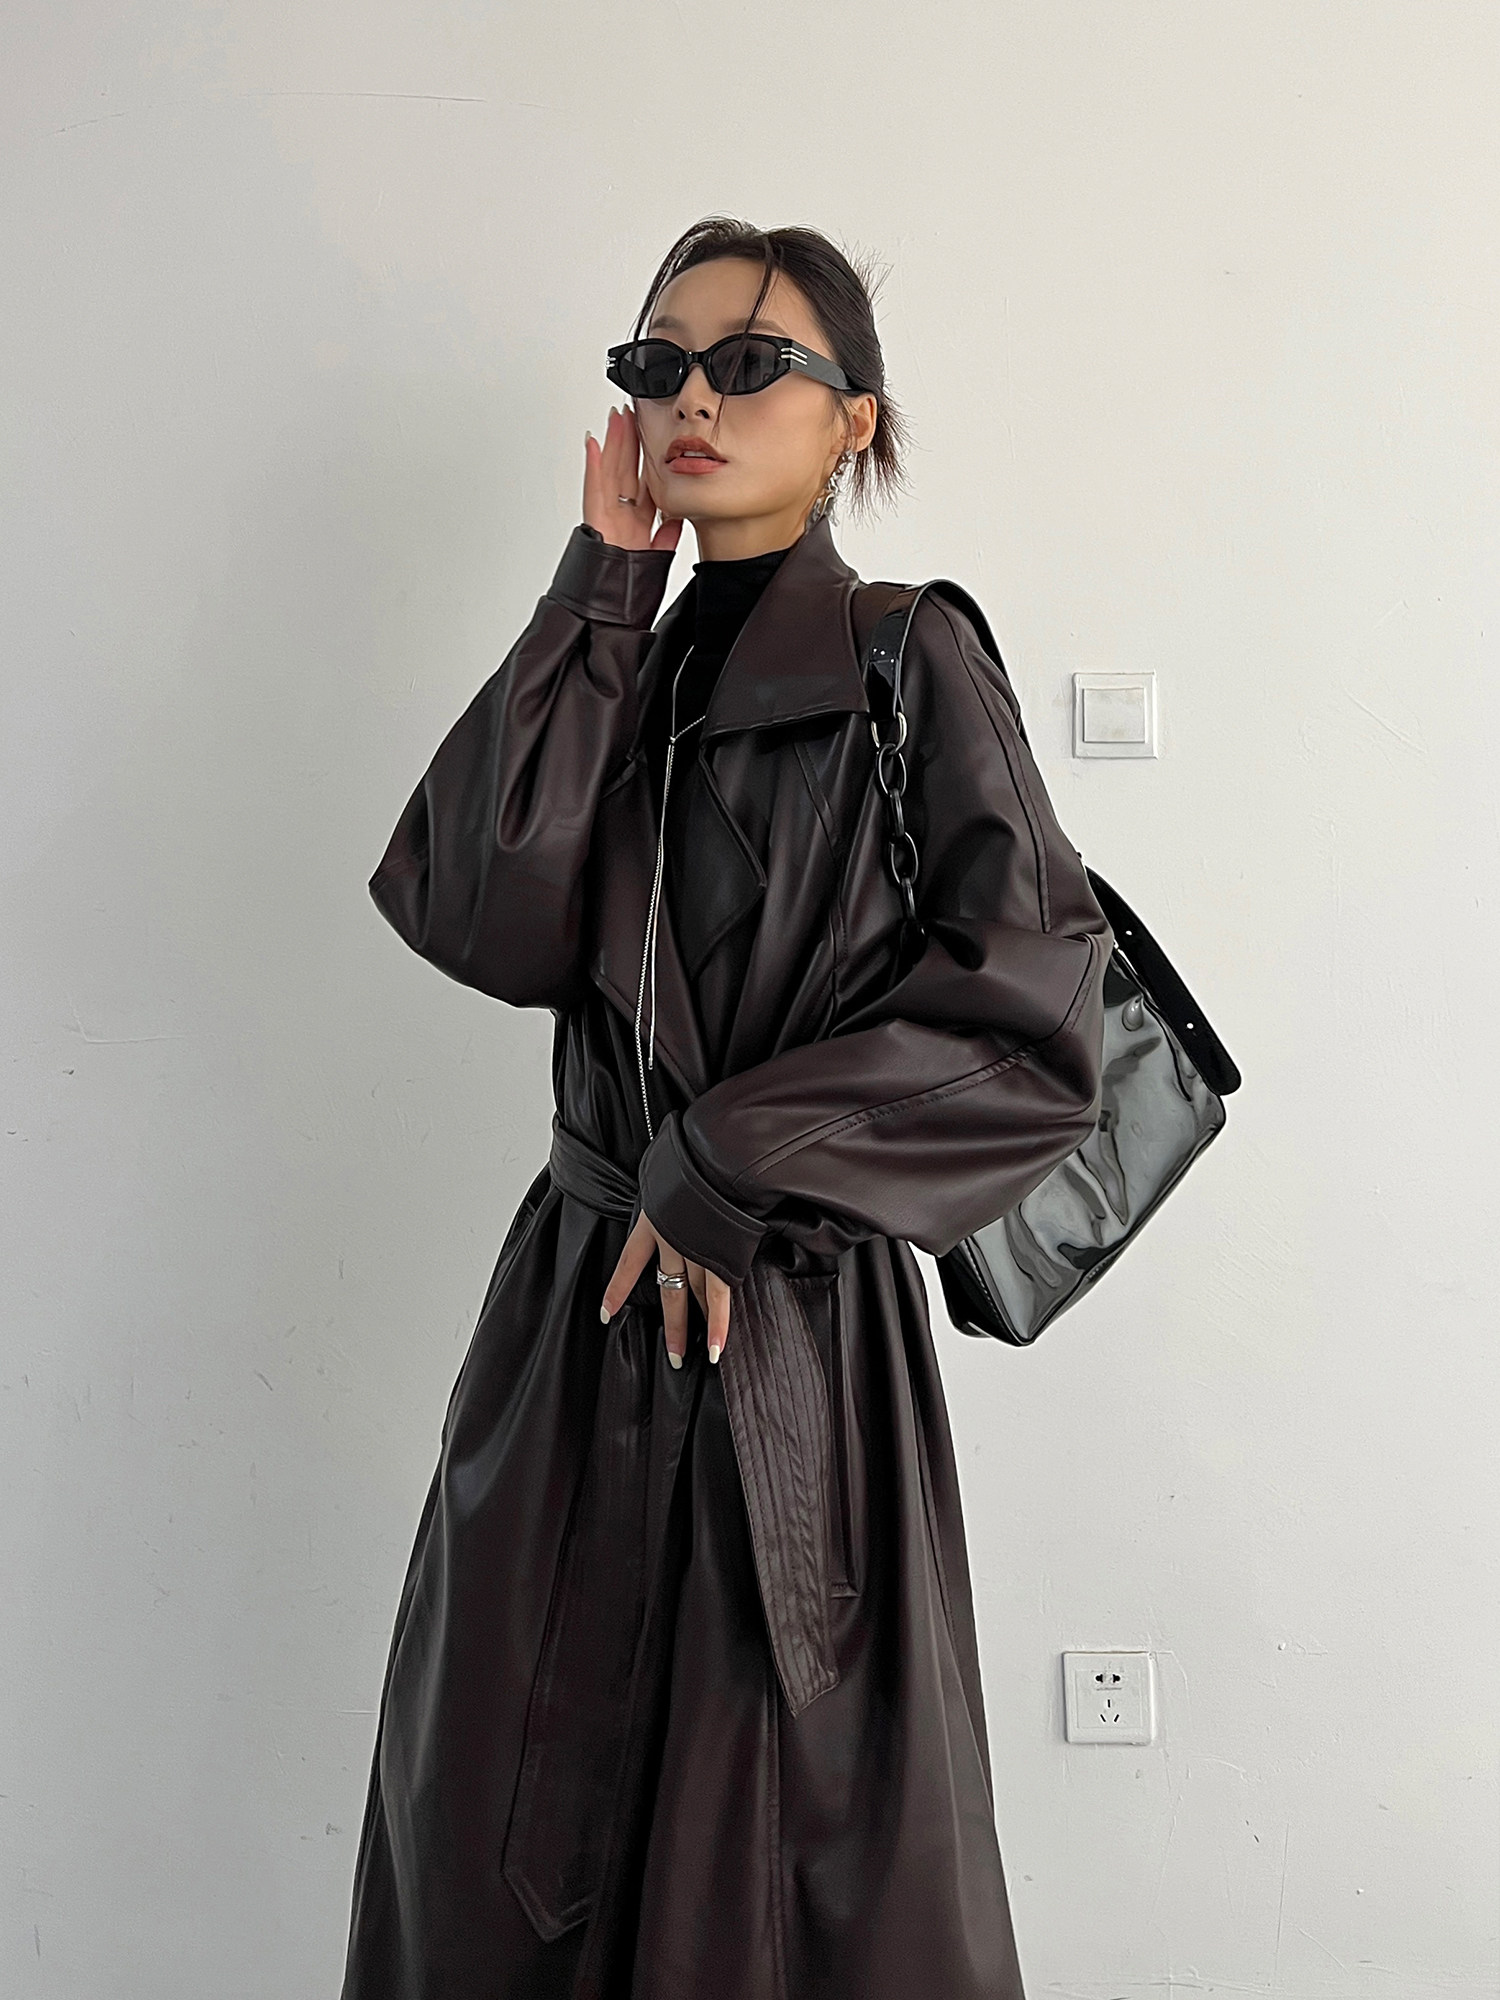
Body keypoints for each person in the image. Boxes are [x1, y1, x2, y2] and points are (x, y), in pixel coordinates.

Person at [341, 216, 1113, 2000]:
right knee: (492, 1826)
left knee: (785, 1858)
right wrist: (597, 594)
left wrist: (731, 1161)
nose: (695, 399)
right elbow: (478, 916)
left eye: (752, 365)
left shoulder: (909, 658)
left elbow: (1033, 1016)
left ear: (854, 421)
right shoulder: (616, 652)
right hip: (572, 1332)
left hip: (790, 1345)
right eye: (657, 366)